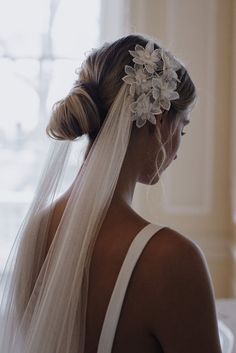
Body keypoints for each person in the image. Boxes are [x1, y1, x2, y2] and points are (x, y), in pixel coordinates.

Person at [0, 34, 222, 353]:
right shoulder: (172, 260)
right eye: (182, 128)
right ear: (160, 120)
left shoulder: (36, 232)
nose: (178, 150)